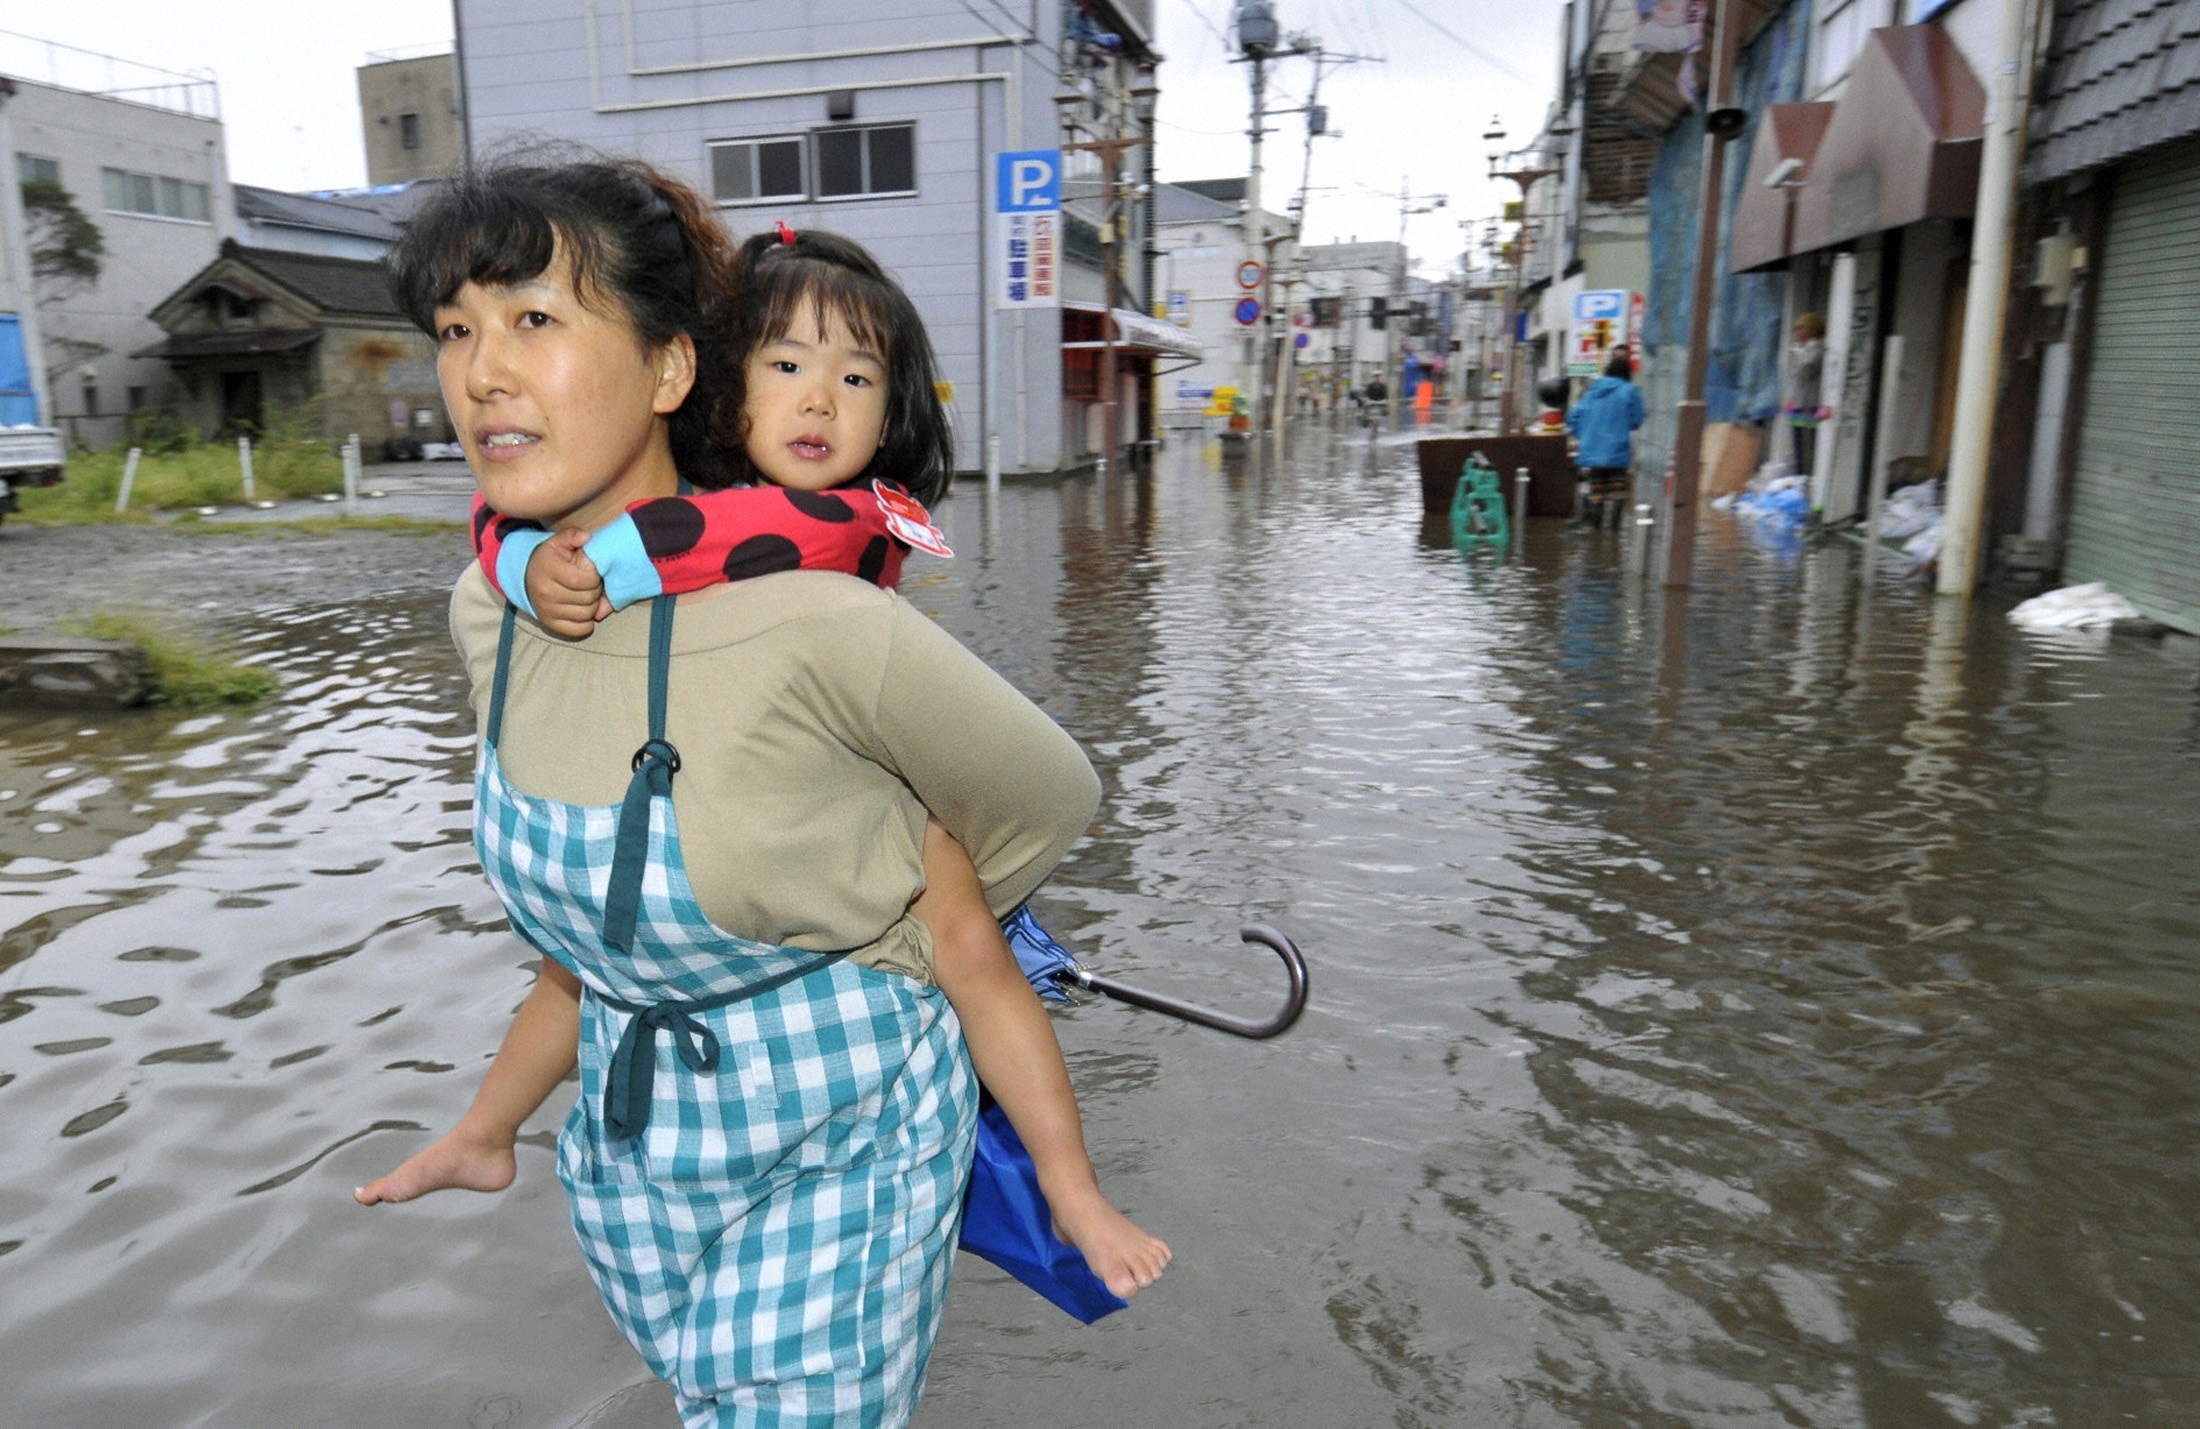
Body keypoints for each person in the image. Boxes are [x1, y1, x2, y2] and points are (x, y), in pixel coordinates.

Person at [352, 160, 1162, 1426]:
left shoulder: (823, 623)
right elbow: (586, 941)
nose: (481, 372)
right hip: (636, 1145)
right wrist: (487, 1124)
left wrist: (905, 914)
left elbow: (1048, 796)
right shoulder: (488, 610)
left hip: (841, 1120)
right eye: (456, 330)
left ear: (673, 371)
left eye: (534, 320)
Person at [1563, 349, 1646, 529]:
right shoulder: (1629, 391)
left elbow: (1574, 416)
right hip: (1618, 452)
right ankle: (1613, 535)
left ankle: (1595, 530)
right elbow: (1637, 419)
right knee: (1618, 491)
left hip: (1592, 452)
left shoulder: (1593, 391)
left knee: (1596, 491)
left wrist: (1582, 436)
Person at [1785, 313, 1827, 482]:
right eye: (1797, 328)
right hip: (1799, 404)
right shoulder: (1803, 349)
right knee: (1798, 445)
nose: (1798, 332)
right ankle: (1799, 478)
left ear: (1814, 330)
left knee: (1808, 444)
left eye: (1803, 328)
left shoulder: (1817, 348)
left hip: (1811, 405)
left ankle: (1807, 478)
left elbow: (1807, 368)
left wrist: (1798, 352)